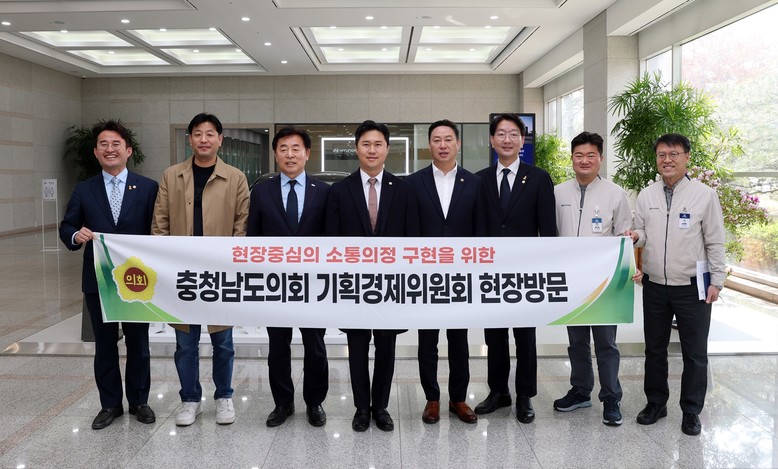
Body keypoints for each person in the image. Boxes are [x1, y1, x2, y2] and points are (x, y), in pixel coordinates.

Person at [152, 113, 249, 426]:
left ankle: (224, 397)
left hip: (220, 272)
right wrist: (164, 263)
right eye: (197, 133)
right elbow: (160, 223)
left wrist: (231, 262)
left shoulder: (235, 177)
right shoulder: (172, 175)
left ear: (220, 139)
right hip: (181, 273)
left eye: (210, 134)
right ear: (190, 139)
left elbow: (242, 224)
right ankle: (190, 399)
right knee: (185, 343)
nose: (203, 139)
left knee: (223, 342)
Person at [59, 120, 158, 430]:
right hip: (98, 280)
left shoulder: (148, 188)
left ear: (128, 151)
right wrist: (76, 235)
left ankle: (139, 401)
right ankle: (110, 404)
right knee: (104, 345)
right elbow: (67, 225)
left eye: (116, 144)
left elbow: (158, 231)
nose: (110, 149)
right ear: (96, 152)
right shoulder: (84, 189)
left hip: (138, 280)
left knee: (138, 343)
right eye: (103, 144)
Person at [626, 133, 725, 436]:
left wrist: (717, 281)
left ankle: (691, 410)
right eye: (661, 155)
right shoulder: (646, 195)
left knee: (694, 352)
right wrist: (635, 236)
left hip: (693, 286)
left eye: (673, 154)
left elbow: (715, 240)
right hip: (655, 285)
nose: (667, 160)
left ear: (687, 157)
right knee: (654, 349)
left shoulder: (704, 195)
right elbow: (643, 232)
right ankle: (656, 403)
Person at [325, 120, 420, 432]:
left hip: (391, 286)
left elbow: (412, 240)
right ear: (356, 148)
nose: (372, 150)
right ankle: (361, 408)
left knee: (386, 348)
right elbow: (332, 242)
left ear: (387, 149)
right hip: (354, 286)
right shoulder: (339, 191)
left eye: (378, 144)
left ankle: (381, 407)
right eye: (366, 144)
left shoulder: (404, 190)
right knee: (356, 348)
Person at [474, 113, 556, 424]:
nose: (507, 140)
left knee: (525, 338)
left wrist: (545, 271)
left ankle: (524, 395)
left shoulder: (538, 178)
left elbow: (548, 231)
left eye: (513, 134)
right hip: (490, 272)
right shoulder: (479, 180)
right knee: (494, 337)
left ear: (522, 140)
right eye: (501, 134)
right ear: (492, 140)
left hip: (526, 274)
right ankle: (498, 392)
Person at [246, 127, 330, 428]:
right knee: (278, 346)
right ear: (275, 154)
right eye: (283, 149)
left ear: (307, 154)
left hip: (314, 284)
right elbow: (253, 238)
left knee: (315, 346)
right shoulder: (261, 192)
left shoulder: (324, 191)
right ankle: (283, 403)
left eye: (296, 149)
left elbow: (332, 238)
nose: (290, 155)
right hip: (275, 284)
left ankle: (315, 402)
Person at [552, 131, 632, 426]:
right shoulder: (558, 192)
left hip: (605, 282)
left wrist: (628, 272)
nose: (584, 161)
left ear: (601, 158)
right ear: (572, 158)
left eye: (590, 155)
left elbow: (626, 237)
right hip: (570, 280)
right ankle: (580, 390)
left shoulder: (615, 193)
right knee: (576, 342)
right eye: (579, 155)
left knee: (606, 344)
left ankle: (611, 397)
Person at [405, 119, 480, 425]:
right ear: (429, 145)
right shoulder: (413, 183)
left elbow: (480, 230)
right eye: (437, 140)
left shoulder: (474, 182)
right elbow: (409, 230)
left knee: (459, 340)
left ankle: (458, 398)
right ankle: (432, 399)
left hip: (462, 275)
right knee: (428, 341)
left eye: (448, 139)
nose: (443, 145)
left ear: (458, 144)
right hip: (426, 275)